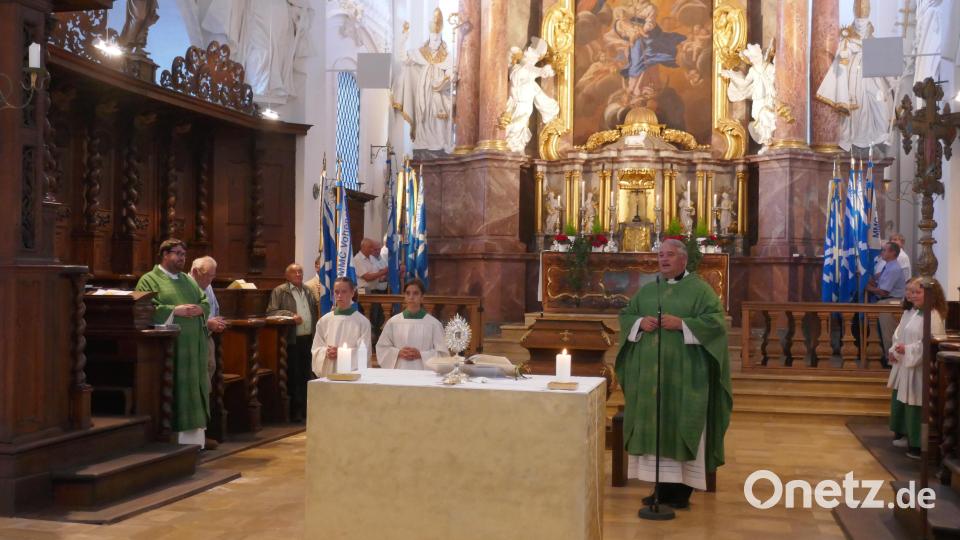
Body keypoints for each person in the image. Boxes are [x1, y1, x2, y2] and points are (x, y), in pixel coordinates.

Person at [615, 238, 732, 510]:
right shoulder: (648, 290)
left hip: (686, 376)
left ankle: (681, 490)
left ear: (683, 259)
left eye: (669, 255)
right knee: (656, 426)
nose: (663, 259)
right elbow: (626, 315)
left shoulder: (700, 290)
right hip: (651, 379)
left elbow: (716, 323)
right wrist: (639, 323)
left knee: (681, 423)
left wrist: (683, 324)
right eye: (660, 255)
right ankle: (660, 488)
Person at [135, 239, 210, 448]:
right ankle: (173, 440)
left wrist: (200, 309)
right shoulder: (149, 280)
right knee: (175, 389)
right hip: (169, 348)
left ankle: (196, 442)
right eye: (177, 253)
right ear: (164, 254)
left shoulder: (188, 280)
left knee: (194, 389)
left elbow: (204, 301)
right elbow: (144, 308)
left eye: (183, 254)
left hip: (194, 347)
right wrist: (174, 311)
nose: (181, 258)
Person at [887, 278, 947, 459]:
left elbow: (930, 343)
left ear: (930, 294)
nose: (912, 296)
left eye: (917, 292)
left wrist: (907, 349)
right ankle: (909, 439)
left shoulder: (933, 315)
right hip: (908, 364)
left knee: (917, 404)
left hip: (921, 368)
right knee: (907, 402)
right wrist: (896, 349)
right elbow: (901, 335)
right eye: (911, 292)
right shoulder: (914, 313)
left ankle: (919, 446)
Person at [391, 8, 454, 152]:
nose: (435, 41)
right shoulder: (420, 53)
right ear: (429, 38)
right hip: (423, 93)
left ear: (441, 38)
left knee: (438, 116)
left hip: (439, 91)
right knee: (424, 117)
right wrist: (403, 39)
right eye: (433, 38)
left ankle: (441, 141)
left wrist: (449, 76)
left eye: (437, 39)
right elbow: (403, 58)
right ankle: (423, 140)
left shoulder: (447, 56)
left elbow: (452, 70)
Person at [266, 263, 319, 422]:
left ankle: (307, 409)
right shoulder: (280, 291)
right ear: (286, 275)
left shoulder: (307, 290)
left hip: (308, 338)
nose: (298, 274)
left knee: (307, 374)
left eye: (300, 272)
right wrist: (290, 315)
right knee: (294, 375)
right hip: (292, 339)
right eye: (294, 272)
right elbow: (271, 312)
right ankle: (296, 411)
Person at [189, 256, 227, 450]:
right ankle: (197, 435)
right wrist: (208, 323)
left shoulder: (208, 287)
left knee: (208, 385)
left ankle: (204, 433)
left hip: (208, 339)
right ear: (196, 272)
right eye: (208, 276)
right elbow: (188, 316)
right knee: (198, 386)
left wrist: (217, 322)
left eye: (213, 276)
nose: (211, 280)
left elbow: (213, 309)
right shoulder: (187, 286)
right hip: (192, 342)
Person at [376, 279, 447, 370]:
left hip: (424, 375)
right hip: (399, 371)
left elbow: (443, 355)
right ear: (404, 297)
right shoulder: (393, 322)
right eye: (408, 293)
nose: (411, 297)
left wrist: (421, 355)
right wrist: (398, 353)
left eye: (415, 293)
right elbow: (382, 348)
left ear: (422, 297)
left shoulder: (434, 324)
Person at [310, 277, 372, 377]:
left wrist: (342, 353)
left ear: (352, 293)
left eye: (344, 291)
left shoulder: (362, 322)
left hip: (352, 375)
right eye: (336, 292)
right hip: (329, 372)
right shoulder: (324, 320)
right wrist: (326, 352)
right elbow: (316, 348)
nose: (339, 295)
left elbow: (365, 352)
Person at [867, 242, 907, 357]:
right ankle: (888, 357)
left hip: (890, 303)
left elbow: (884, 291)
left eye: (884, 250)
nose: (882, 252)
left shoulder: (893, 268)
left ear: (893, 252)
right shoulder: (888, 266)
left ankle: (891, 359)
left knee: (888, 333)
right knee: (885, 333)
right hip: (886, 302)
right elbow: (879, 282)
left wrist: (869, 288)